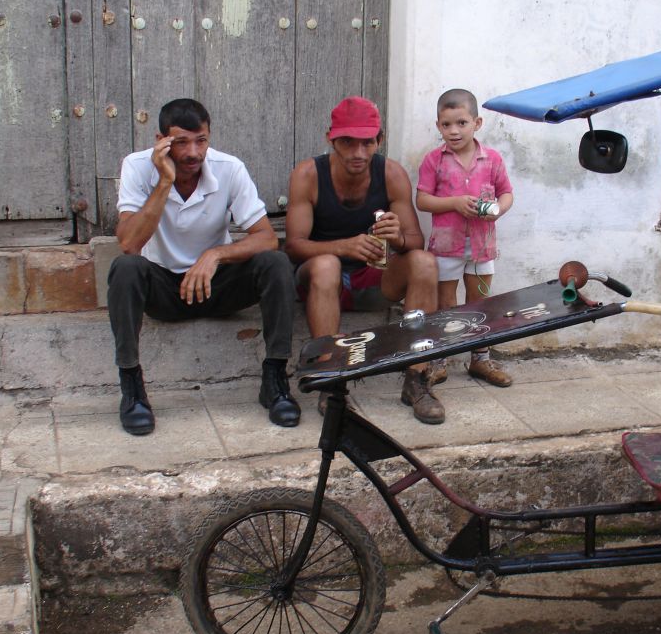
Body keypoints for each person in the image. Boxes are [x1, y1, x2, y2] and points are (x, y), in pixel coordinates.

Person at [107, 98, 300, 435]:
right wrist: (164, 182)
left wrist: (214, 256)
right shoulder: (138, 167)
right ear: (161, 141)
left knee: (276, 262)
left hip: (216, 286)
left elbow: (267, 238)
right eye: (181, 142)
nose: (193, 152)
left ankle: (275, 378)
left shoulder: (229, 168)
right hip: (163, 288)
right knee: (125, 268)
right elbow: (129, 243)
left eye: (201, 141)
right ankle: (132, 389)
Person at [284, 96, 444, 424]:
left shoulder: (391, 173)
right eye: (347, 143)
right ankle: (331, 381)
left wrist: (397, 236)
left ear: (379, 140)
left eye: (366, 143)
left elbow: (415, 242)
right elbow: (293, 247)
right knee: (327, 264)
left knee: (424, 262)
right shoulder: (308, 175)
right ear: (331, 139)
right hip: (321, 281)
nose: (358, 153)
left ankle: (417, 378)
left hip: (372, 279)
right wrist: (343, 247)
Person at [415, 88, 514, 387]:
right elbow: (423, 200)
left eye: (461, 123)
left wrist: (498, 210)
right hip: (447, 246)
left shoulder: (492, 159)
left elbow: (506, 193)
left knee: (479, 301)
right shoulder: (434, 161)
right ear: (438, 126)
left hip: (483, 246)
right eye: (446, 125)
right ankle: (440, 359)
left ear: (477, 123)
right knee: (446, 302)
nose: (454, 131)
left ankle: (480, 358)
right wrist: (455, 203)